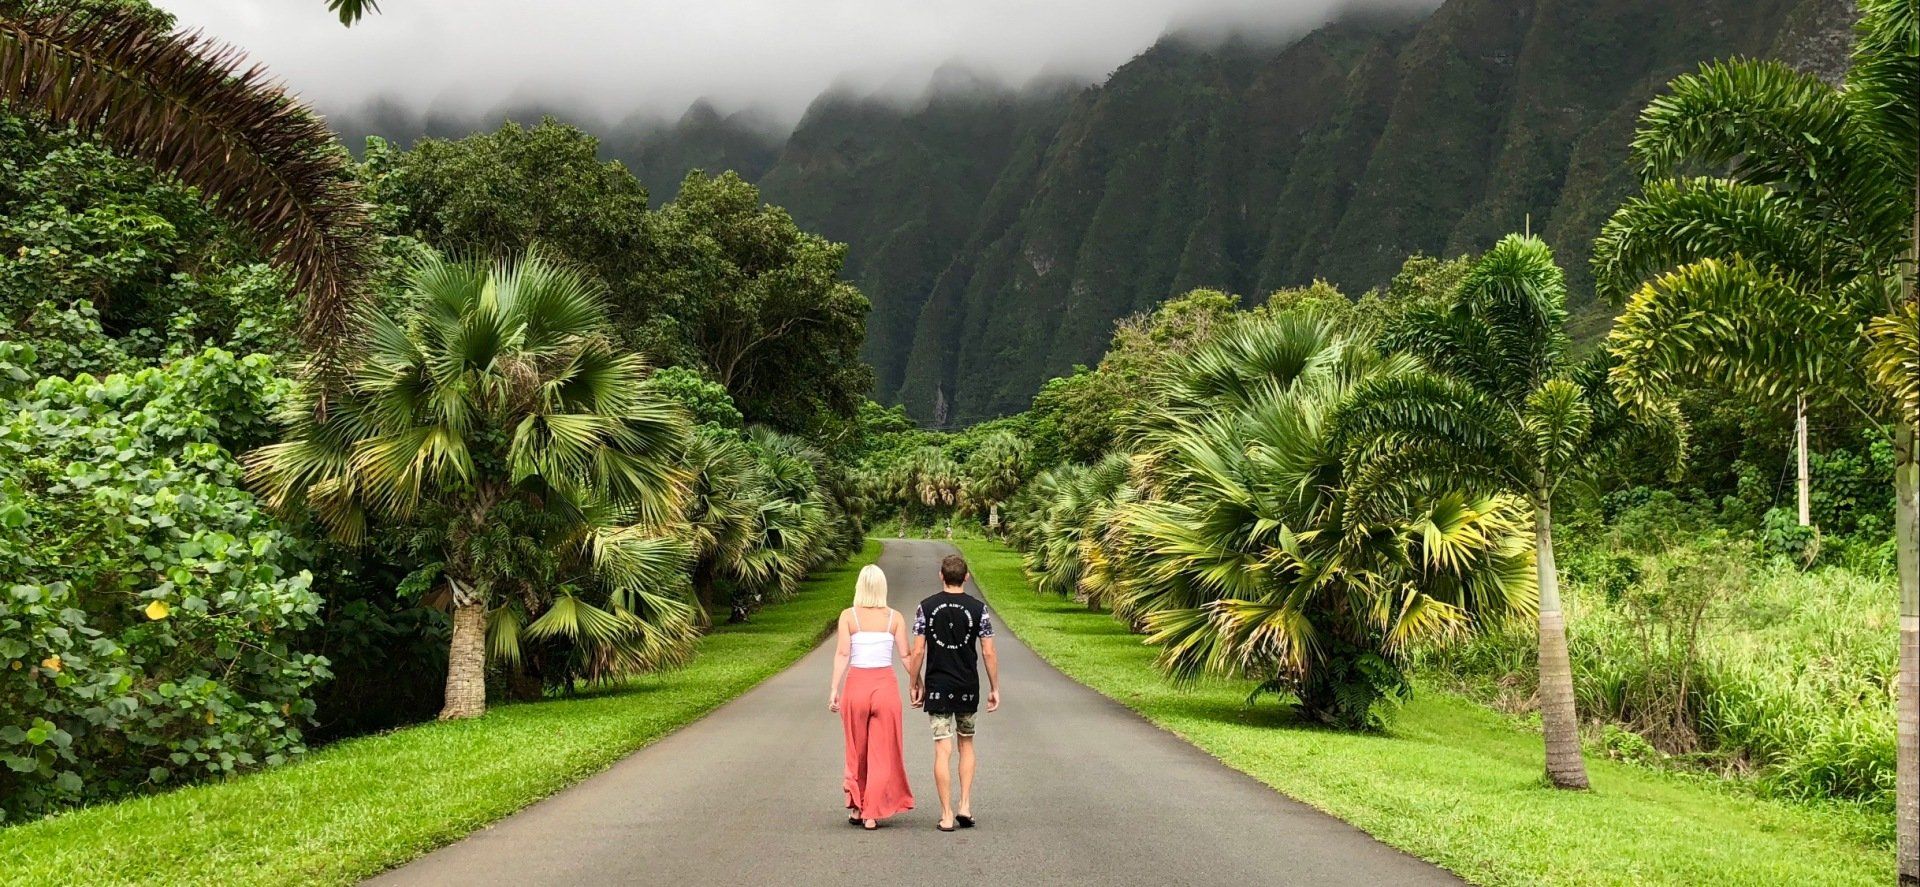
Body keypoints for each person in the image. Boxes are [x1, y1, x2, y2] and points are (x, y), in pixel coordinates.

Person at [907, 553, 1000, 833]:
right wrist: (994, 687)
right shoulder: (978, 609)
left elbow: (919, 649)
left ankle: (946, 814)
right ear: (967, 577)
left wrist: (914, 682)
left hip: (938, 686)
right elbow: (988, 651)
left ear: (941, 576)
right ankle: (965, 805)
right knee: (966, 743)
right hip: (967, 686)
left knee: (942, 748)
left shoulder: (926, 607)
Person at [828, 564, 915, 829]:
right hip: (885, 687)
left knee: (857, 749)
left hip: (856, 685)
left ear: (859, 587)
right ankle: (871, 813)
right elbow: (905, 655)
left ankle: (856, 806)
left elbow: (843, 654)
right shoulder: (895, 618)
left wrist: (834, 689)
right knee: (883, 751)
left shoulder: (848, 616)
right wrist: (916, 682)